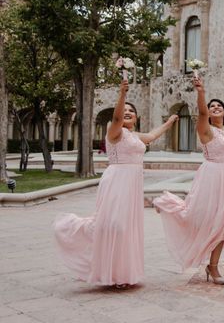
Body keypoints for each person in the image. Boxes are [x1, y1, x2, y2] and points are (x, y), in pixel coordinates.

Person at [53, 80, 177, 288]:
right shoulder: (114, 131)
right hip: (117, 180)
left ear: (137, 118)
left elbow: (153, 135)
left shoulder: (134, 136)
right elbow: (117, 117)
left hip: (132, 183)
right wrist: (122, 94)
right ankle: (74, 231)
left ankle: (121, 274)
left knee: (126, 227)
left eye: (132, 111)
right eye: (125, 110)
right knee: (114, 225)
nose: (128, 112)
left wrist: (171, 121)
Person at [153, 76, 224, 284]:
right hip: (213, 179)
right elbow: (202, 112)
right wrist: (201, 92)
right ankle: (169, 206)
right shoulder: (205, 129)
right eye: (212, 106)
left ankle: (213, 266)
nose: (216, 107)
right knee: (205, 220)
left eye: (219, 105)